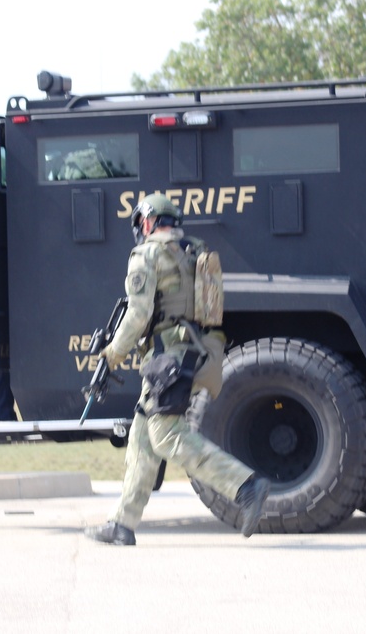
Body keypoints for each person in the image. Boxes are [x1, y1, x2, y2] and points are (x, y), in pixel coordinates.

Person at [84, 194, 270, 546]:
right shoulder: (195, 248)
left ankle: (245, 485)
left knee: (167, 435)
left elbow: (138, 314)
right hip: (197, 348)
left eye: (141, 224)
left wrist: (111, 354)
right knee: (142, 438)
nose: (140, 231)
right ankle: (122, 524)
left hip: (171, 356)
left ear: (150, 221)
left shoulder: (146, 254)